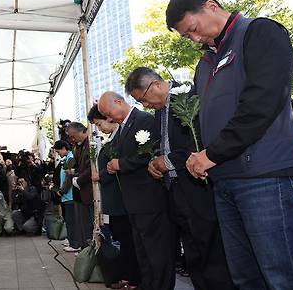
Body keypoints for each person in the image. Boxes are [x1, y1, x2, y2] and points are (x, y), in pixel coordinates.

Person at [167, 0, 293, 289]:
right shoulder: (205, 63)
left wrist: (212, 154)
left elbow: (260, 104)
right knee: (245, 277)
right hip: (225, 180)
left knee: (284, 277)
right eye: (187, 37)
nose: (194, 39)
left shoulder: (259, 32)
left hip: (265, 177)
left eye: (193, 29)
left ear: (211, 6)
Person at [126, 67, 235, 290]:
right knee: (192, 254)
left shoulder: (189, 97)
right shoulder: (159, 112)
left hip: (198, 188)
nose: (144, 106)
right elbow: (163, 146)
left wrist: (166, 162)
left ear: (155, 85)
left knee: (210, 252)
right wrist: (154, 161)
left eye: (143, 99)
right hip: (174, 191)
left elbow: (198, 142)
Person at [98, 92, 172, 290]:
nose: (109, 118)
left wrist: (120, 164)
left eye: (108, 113)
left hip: (148, 197)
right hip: (133, 200)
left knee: (156, 250)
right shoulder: (124, 127)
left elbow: (148, 157)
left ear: (119, 102)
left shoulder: (144, 120)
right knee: (143, 250)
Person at [88, 105, 140, 289]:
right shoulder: (112, 139)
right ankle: (128, 276)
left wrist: (101, 174)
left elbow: (117, 167)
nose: (99, 128)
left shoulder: (121, 137)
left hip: (121, 199)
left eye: (99, 123)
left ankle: (134, 279)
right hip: (113, 200)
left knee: (129, 241)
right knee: (124, 241)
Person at [66, 122, 95, 248]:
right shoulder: (78, 146)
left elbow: (91, 168)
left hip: (89, 191)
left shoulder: (91, 143)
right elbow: (79, 166)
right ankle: (85, 247)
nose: (72, 139)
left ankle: (90, 248)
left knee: (90, 223)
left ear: (81, 131)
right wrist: (74, 173)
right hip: (81, 192)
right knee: (83, 224)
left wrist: (79, 180)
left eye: (73, 136)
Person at [53, 140, 82, 252]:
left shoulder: (70, 159)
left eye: (58, 150)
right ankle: (72, 241)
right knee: (69, 220)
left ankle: (75, 244)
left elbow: (69, 178)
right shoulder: (66, 159)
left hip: (69, 195)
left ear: (64, 148)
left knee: (72, 220)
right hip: (66, 196)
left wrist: (62, 190)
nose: (58, 153)